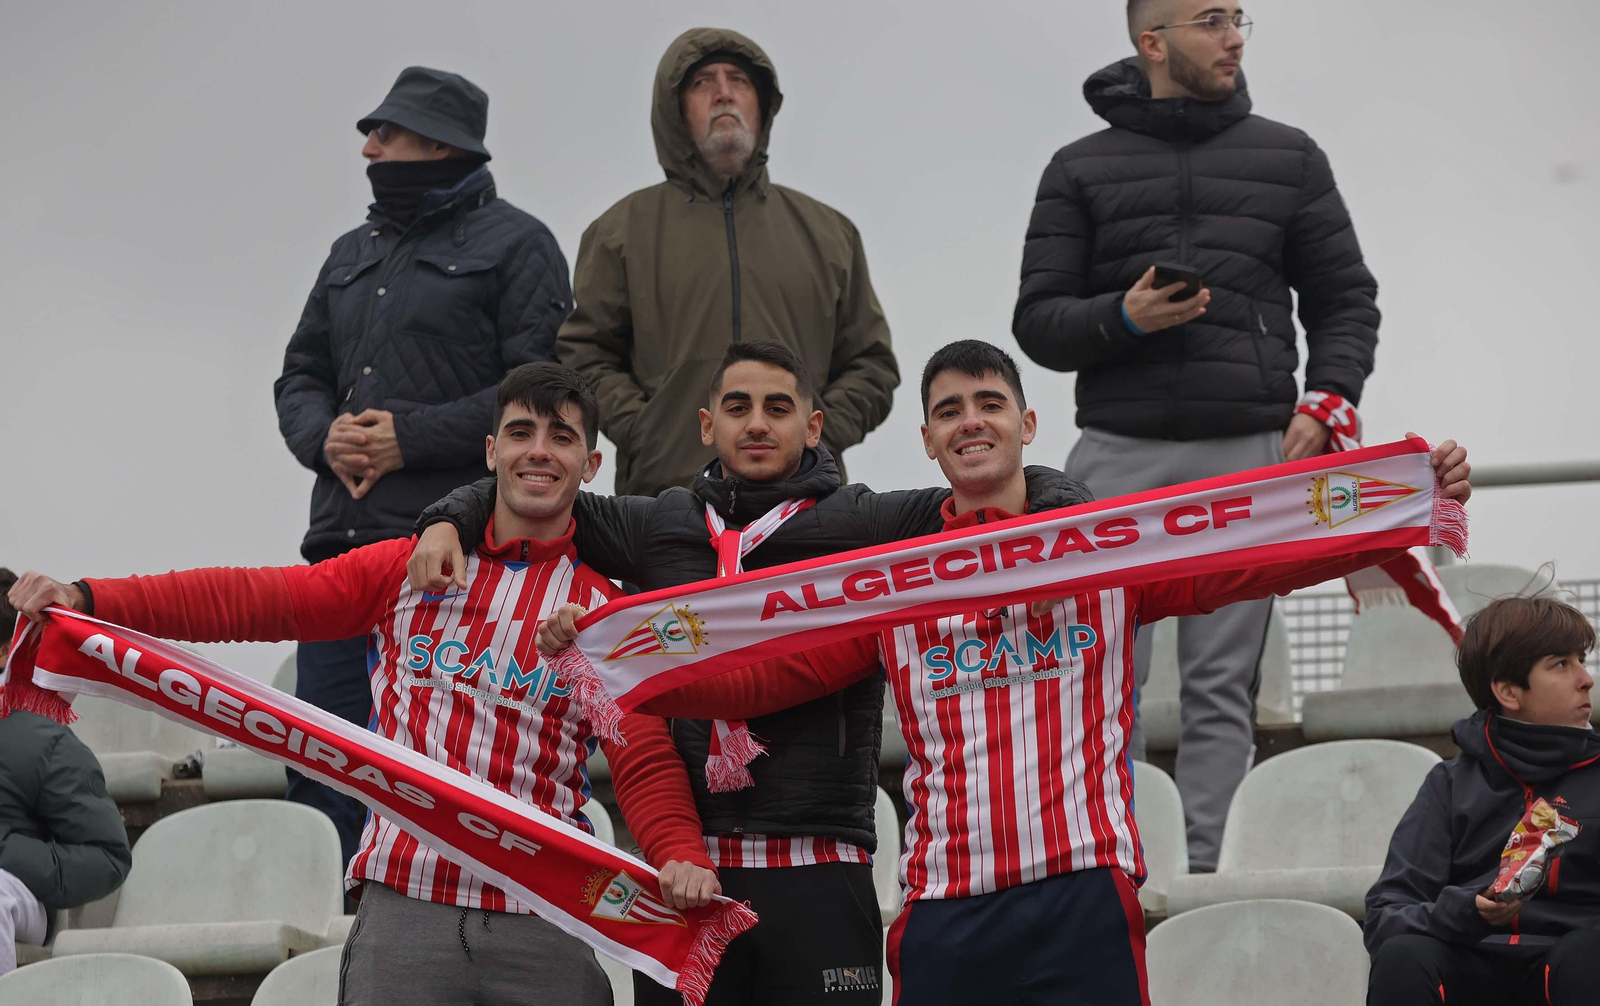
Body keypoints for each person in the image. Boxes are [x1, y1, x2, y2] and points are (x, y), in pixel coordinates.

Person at [536, 341, 1474, 1006]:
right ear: (930, 443)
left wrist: (1400, 502)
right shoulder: (887, 589)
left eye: (989, 404)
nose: (970, 421)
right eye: (949, 410)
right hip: (945, 908)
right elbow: (759, 680)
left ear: (1027, 423)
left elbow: (1251, 548)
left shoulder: (1105, 554)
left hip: (1082, 892)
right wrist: (617, 658)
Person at [7, 366, 719, 1006]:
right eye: (521, 431)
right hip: (403, 909)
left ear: (590, 463)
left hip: (541, 918)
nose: (539, 450)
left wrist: (680, 854)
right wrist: (93, 598)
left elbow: (644, 757)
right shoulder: (406, 568)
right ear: (490, 451)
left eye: (561, 437)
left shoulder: (604, 615)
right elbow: (250, 600)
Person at [408, 341, 1086, 1005]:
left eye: (777, 407)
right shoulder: (660, 526)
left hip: (824, 864)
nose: (757, 423)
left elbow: (1002, 493)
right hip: (687, 873)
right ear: (709, 425)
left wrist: (1056, 525)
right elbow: (536, 484)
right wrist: (446, 518)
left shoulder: (865, 521)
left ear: (812, 425)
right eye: (737, 407)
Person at [1011, 1, 1381, 870]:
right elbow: (1037, 323)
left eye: (1240, 17)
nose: (1235, 36)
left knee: (1221, 689)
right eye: (1212, 18)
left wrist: (1328, 402)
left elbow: (1346, 300)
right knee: (1102, 682)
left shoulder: (1291, 156)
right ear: (1153, 41)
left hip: (1251, 455)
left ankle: (1206, 872)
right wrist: (1124, 318)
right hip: (1113, 454)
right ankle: (1116, 860)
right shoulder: (1077, 168)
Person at [273, 66, 575, 870]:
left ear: (437, 146)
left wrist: (409, 438)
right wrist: (325, 437)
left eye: (387, 132)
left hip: (452, 558)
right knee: (323, 757)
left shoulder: (522, 245)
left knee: (436, 757)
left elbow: (539, 395)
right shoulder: (350, 251)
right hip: (338, 553)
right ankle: (338, 932)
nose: (369, 147)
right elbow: (298, 373)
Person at [557, 27, 899, 496]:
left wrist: (821, 429)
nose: (723, 94)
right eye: (702, 83)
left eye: (738, 80)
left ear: (762, 106)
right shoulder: (620, 231)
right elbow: (584, 356)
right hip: (667, 504)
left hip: (807, 506)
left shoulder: (829, 233)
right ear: (675, 111)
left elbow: (872, 363)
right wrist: (646, 430)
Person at [1364, 596, 1600, 1006]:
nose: (1586, 678)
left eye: (1580, 659)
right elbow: (1385, 918)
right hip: (1467, 967)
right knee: (1403, 956)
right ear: (1509, 691)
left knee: (1587, 957)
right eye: (1561, 664)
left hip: (1570, 970)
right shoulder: (1449, 784)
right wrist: (1466, 911)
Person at [0, 568, 133, 975]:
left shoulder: (41, 741)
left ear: (6, 651)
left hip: (15, 896)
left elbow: (107, 857)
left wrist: (4, 849)